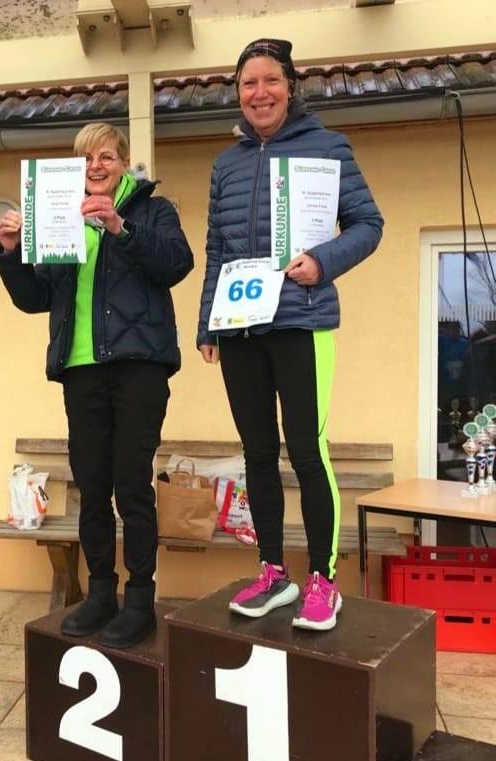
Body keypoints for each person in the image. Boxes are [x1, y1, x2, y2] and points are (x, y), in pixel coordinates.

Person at [197, 39, 383, 631]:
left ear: (291, 86)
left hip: (302, 320)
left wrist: (322, 262)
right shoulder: (226, 164)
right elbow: (217, 250)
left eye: (270, 80)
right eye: (248, 84)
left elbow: (368, 224)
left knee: (306, 450)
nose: (260, 93)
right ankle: (274, 573)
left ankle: (324, 580)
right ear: (238, 94)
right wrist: (207, 323)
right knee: (257, 452)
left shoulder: (328, 147)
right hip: (240, 326)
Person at [0, 122, 193, 648]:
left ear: (124, 162)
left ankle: (140, 598)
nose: (96, 166)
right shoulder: (58, 217)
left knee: (132, 483)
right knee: (92, 485)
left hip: (139, 366)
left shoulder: (153, 210)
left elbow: (177, 264)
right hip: (80, 367)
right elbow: (35, 298)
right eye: (85, 159)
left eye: (106, 156)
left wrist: (120, 227)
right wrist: (10, 252)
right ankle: (100, 591)